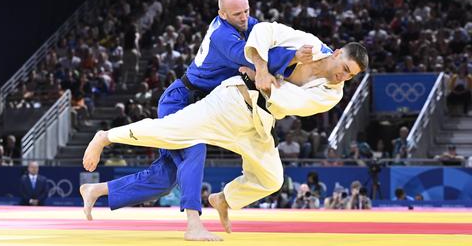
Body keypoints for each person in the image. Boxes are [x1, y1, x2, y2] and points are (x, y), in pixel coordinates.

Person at [82, 21, 368, 236]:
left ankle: (223, 198)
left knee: (271, 179)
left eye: (350, 75)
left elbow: (292, 103)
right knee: (167, 131)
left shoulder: (334, 94)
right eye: (344, 68)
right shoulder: (309, 44)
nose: (343, 76)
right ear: (338, 53)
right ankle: (105, 136)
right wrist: (262, 66)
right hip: (230, 102)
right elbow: (264, 31)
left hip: (259, 123)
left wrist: (265, 76)